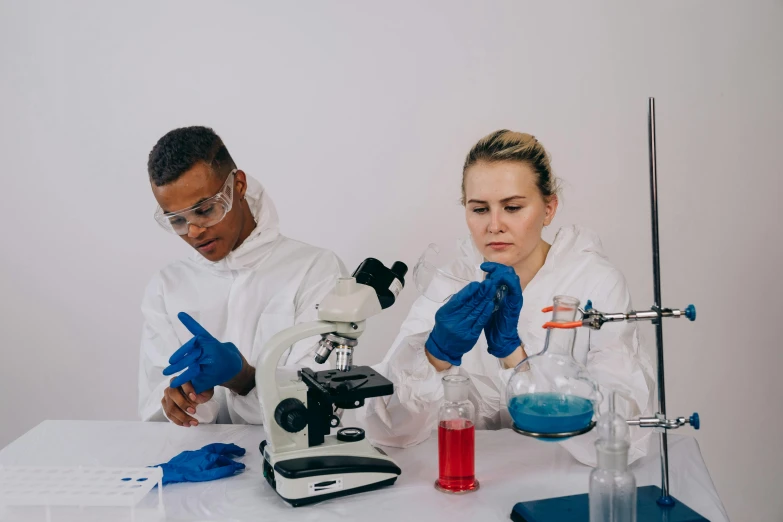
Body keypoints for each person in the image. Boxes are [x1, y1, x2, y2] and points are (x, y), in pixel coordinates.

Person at [357, 130, 655, 466]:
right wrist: (435, 355)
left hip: (566, 485)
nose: (494, 225)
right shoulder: (451, 284)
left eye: (512, 207)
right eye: (480, 209)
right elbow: (390, 432)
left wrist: (515, 356)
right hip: (473, 479)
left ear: (549, 209)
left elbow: (619, 437)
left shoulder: (593, 283)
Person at [138, 126, 346, 427]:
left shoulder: (315, 270)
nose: (194, 231)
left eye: (206, 209)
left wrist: (244, 379)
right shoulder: (166, 286)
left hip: (292, 465)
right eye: (178, 220)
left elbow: (320, 403)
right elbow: (155, 408)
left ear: (238, 185)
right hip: (207, 465)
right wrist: (189, 399)